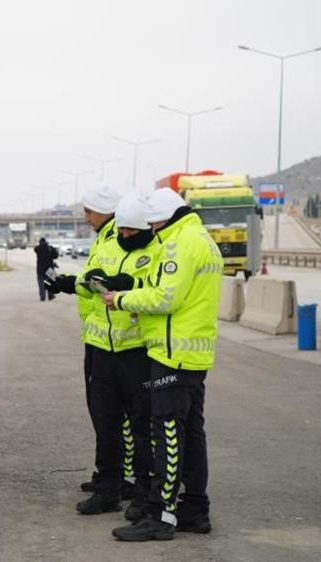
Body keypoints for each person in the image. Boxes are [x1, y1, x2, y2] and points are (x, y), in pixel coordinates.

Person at [104, 187, 223, 541]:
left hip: (173, 353)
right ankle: (195, 509)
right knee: (191, 434)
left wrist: (122, 299)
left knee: (168, 434)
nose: (152, 229)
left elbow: (167, 296)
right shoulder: (202, 238)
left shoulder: (181, 242)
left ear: (166, 218)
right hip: (192, 351)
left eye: (154, 223)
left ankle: (162, 516)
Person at [64, 191, 158, 520]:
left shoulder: (156, 252)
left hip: (136, 352)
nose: (125, 237)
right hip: (102, 349)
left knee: (141, 426)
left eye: (132, 232)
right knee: (105, 422)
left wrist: (126, 284)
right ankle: (108, 488)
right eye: (122, 231)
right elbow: (91, 278)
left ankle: (145, 493)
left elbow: (156, 290)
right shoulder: (106, 245)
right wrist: (75, 282)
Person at [44, 183, 125, 498]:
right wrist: (67, 283)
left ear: (105, 210)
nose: (86, 216)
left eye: (90, 211)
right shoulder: (105, 238)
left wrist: (73, 284)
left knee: (110, 415)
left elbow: (106, 283)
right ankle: (111, 474)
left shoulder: (118, 238)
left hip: (115, 339)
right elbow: (94, 280)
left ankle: (117, 480)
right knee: (101, 412)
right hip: (98, 335)